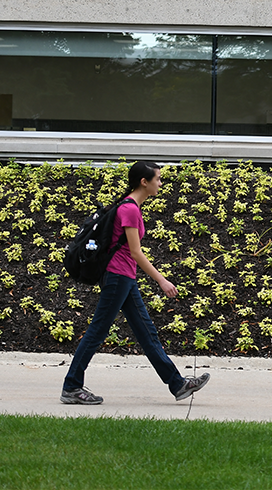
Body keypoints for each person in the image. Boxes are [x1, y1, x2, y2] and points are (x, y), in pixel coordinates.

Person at [61, 161, 209, 404]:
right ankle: (71, 386)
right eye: (158, 179)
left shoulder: (131, 206)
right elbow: (135, 252)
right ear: (144, 181)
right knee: (97, 331)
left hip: (125, 277)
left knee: (146, 333)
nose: (160, 183)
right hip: (117, 276)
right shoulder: (129, 209)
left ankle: (178, 384)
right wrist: (162, 280)